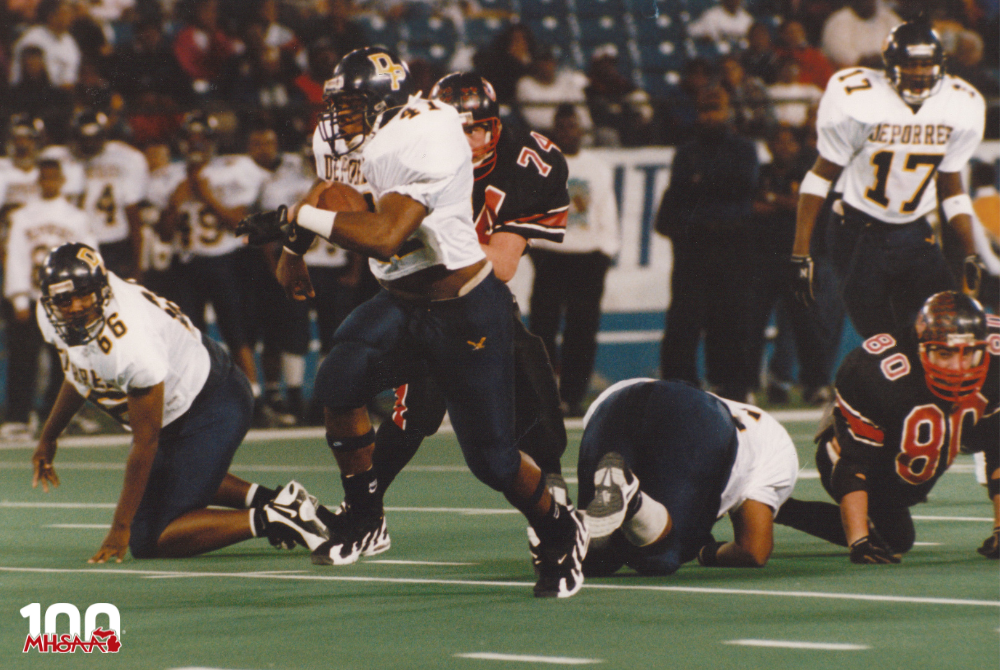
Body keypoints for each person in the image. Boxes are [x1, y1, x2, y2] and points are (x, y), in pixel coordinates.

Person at [238, 47, 588, 598]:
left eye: (351, 106)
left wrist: (295, 220)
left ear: (387, 103)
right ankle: (364, 515)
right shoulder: (347, 137)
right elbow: (335, 193)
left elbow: (386, 234)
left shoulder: (429, 131)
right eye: (337, 106)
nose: (338, 119)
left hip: (463, 306)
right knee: (337, 382)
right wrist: (294, 249)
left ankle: (557, 528)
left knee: (492, 461)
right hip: (401, 301)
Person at [30, 242, 333, 562]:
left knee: (148, 538)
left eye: (82, 295)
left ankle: (275, 519)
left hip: (211, 402)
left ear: (102, 290)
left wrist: (120, 528)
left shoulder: (129, 343)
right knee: (171, 479)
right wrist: (49, 438)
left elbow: (146, 441)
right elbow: (80, 372)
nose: (75, 306)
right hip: (189, 391)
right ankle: (280, 502)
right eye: (64, 299)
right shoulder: (53, 316)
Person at [363, 72, 570, 502]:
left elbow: (503, 264)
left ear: (494, 125)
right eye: (458, 129)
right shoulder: (408, 155)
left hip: (480, 295)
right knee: (413, 412)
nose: (469, 139)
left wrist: (434, 234)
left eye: (477, 127)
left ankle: (554, 495)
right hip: (423, 295)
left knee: (531, 381)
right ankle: (362, 502)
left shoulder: (525, 160)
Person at [791, 20, 986, 340]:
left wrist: (970, 250)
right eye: (911, 64)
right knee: (881, 342)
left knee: (938, 330)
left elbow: (952, 187)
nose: (920, 72)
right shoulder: (860, 97)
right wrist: (801, 252)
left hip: (913, 229)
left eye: (927, 63)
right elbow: (819, 178)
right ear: (892, 65)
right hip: (857, 231)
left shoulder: (959, 103)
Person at [775, 291, 999, 562]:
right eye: (944, 353)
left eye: (969, 354)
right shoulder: (874, 370)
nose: (958, 367)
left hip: (911, 465)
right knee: (894, 539)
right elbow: (853, 465)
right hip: (855, 458)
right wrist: (859, 542)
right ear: (920, 343)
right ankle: (777, 509)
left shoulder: (994, 361)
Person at [579, 378, 799, 576]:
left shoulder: (760, 432)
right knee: (658, 557)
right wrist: (705, 552)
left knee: (589, 555)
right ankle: (633, 500)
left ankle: (553, 515)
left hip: (619, 397)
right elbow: (754, 550)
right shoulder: (776, 450)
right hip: (696, 418)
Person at [156, 110, 269, 408]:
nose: (196, 145)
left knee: (237, 330)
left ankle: (253, 395)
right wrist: (173, 205)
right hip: (186, 263)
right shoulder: (171, 178)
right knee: (190, 336)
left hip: (224, 261)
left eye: (202, 139)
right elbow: (164, 234)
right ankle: (197, 399)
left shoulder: (231, 170)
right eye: (190, 139)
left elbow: (238, 222)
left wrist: (206, 194)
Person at [655, 85, 759, 402]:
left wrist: (702, 183)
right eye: (704, 109)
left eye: (715, 108)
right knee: (684, 321)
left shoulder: (744, 149)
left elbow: (742, 188)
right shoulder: (686, 153)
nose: (709, 115)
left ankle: (732, 387)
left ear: (727, 111)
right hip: (694, 249)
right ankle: (678, 385)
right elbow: (676, 198)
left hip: (732, 245)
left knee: (730, 320)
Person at [529, 103, 619, 418]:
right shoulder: (541, 166)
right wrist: (535, 247)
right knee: (542, 330)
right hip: (550, 256)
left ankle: (573, 397)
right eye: (562, 126)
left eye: (572, 126)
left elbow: (607, 212)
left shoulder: (598, 168)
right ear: (554, 131)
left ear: (581, 130)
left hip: (588, 259)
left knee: (582, 331)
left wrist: (606, 251)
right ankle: (542, 396)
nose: (568, 131)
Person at [1, 159, 95, 439]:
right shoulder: (24, 216)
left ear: (62, 180)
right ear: (38, 181)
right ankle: (18, 417)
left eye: (54, 177)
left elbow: (89, 256)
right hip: (32, 298)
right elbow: (15, 257)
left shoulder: (76, 218)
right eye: (45, 178)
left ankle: (55, 418)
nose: (49, 182)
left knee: (65, 361)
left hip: (66, 301)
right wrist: (18, 297)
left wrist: (86, 297)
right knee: (22, 358)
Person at [68, 109, 149, 279]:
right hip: (79, 241)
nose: (89, 144)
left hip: (116, 242)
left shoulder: (126, 157)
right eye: (84, 139)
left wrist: (138, 264)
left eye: (94, 138)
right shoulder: (65, 159)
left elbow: (133, 214)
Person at [820, 0, 902, 70]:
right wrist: (869, 61)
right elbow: (841, 58)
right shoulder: (837, 22)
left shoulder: (890, 19)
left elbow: (901, 51)